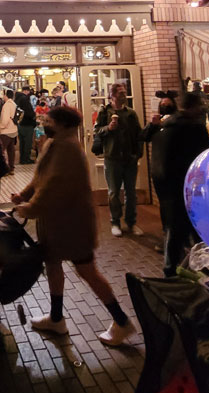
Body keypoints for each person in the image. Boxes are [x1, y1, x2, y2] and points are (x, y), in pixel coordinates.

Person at [14, 107, 137, 346]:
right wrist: (24, 194)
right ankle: (57, 317)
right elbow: (40, 177)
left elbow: (53, 185)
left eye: (50, 120)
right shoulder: (55, 144)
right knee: (52, 264)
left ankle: (121, 322)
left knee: (87, 271)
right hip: (56, 222)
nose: (45, 123)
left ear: (64, 125)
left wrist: (29, 208)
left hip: (72, 224)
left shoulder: (68, 149)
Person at [144, 92, 209, 274]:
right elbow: (205, 155)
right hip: (187, 185)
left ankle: (173, 268)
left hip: (167, 185)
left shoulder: (165, 126)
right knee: (194, 228)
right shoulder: (193, 127)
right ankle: (200, 268)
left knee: (174, 228)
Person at [94, 82, 143, 237]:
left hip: (129, 158)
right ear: (112, 95)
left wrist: (137, 153)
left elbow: (138, 134)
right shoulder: (104, 112)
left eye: (124, 92)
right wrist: (108, 128)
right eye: (120, 92)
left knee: (131, 192)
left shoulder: (131, 113)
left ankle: (131, 222)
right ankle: (115, 222)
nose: (124, 95)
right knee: (114, 192)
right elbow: (97, 131)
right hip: (112, 157)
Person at [0, 88, 19, 173]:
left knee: (1, 150)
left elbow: (5, 119)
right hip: (13, 130)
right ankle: (11, 168)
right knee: (11, 150)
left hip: (6, 131)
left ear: (5, 95)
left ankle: (3, 169)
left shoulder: (7, 105)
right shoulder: (13, 104)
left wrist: (2, 127)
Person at [15, 85, 37, 164]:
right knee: (28, 142)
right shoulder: (24, 99)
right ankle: (26, 159)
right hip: (27, 123)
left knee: (22, 142)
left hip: (20, 124)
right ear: (26, 91)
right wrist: (33, 116)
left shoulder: (17, 99)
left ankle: (22, 158)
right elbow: (28, 112)